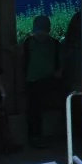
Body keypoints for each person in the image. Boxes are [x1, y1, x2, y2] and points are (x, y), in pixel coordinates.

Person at [23, 15, 61, 147]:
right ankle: (35, 137)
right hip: (38, 82)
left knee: (35, 110)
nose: (40, 35)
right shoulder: (52, 43)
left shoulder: (32, 42)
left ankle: (36, 137)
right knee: (35, 110)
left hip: (44, 81)